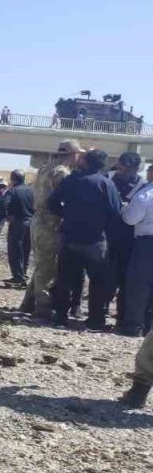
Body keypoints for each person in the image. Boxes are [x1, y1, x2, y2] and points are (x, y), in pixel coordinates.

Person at [48, 149, 122, 330]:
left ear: (86, 162)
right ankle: (95, 321)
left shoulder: (71, 180)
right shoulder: (106, 184)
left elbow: (52, 203)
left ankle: (60, 319)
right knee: (98, 282)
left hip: (70, 237)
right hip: (95, 241)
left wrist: (67, 214)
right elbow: (115, 212)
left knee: (65, 280)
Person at [20, 140, 82, 320]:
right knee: (47, 266)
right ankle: (43, 307)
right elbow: (63, 198)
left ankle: (28, 303)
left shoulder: (45, 168)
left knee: (42, 263)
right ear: (73, 154)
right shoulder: (61, 172)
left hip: (38, 219)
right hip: (50, 222)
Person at [119, 161, 153, 340]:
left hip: (147, 245)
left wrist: (124, 209)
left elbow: (131, 219)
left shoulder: (145, 194)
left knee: (139, 285)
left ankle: (133, 326)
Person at [3, 169, 34, 285]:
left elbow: (4, 203)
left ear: (13, 179)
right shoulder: (32, 191)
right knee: (26, 249)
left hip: (18, 223)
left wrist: (7, 215)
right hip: (31, 222)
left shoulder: (12, 191)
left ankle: (18, 276)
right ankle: (24, 273)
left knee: (15, 249)